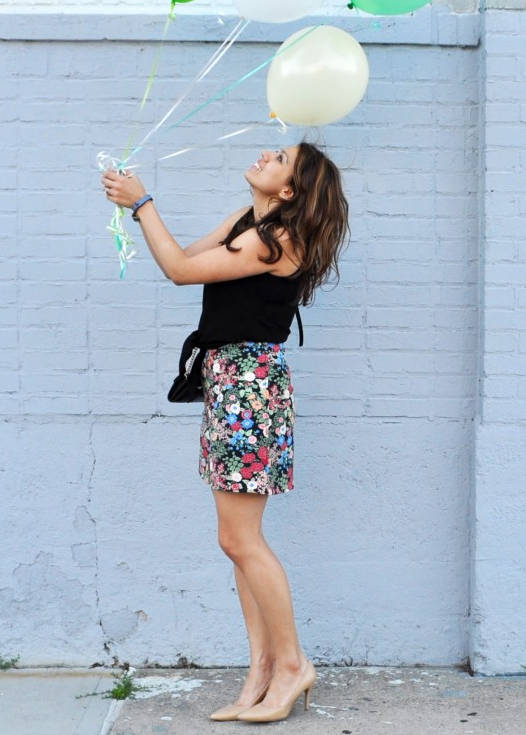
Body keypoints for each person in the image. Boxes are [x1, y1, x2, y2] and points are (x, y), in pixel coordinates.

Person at [101, 142, 349, 724]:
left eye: (281, 157)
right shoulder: (251, 224)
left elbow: (181, 272)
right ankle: (262, 668)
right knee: (236, 541)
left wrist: (143, 204)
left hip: (250, 388)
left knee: (241, 540)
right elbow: (189, 256)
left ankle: (292, 666)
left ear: (289, 191)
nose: (266, 153)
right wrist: (146, 210)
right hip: (231, 382)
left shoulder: (279, 239)